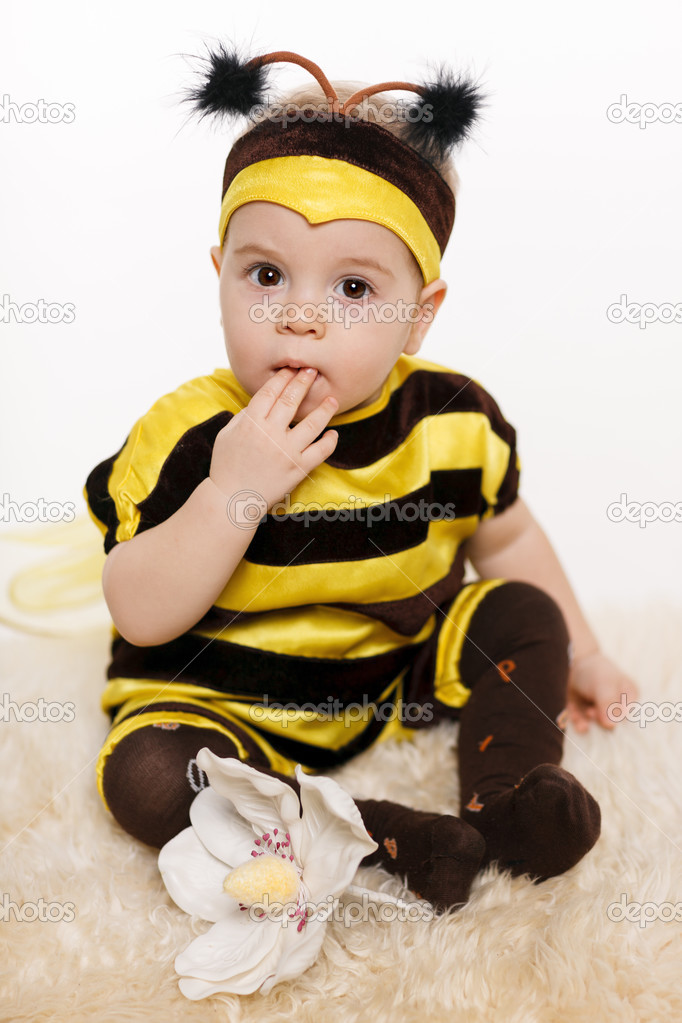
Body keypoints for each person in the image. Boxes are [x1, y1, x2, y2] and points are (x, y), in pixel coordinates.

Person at [84, 47, 638, 913]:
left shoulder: (452, 418)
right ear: (219, 274)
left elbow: (511, 537)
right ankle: (383, 836)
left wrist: (588, 648)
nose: (299, 314)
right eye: (264, 275)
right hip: (224, 696)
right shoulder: (188, 434)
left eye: (352, 287)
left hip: (389, 671)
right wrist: (239, 488)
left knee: (521, 613)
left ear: (419, 313)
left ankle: (506, 800)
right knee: (148, 774)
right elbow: (140, 611)